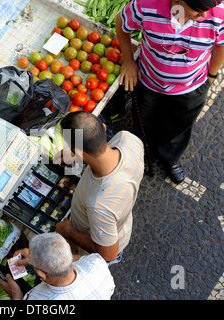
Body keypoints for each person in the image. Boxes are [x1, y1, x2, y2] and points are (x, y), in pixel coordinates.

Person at [115, 0, 224, 184]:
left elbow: (221, 45)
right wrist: (128, 60)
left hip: (192, 86)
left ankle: (170, 158)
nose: (204, 15)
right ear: (177, 1)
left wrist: (210, 77)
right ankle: (142, 152)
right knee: (144, 120)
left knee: (178, 127)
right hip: (148, 82)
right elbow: (122, 23)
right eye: (199, 10)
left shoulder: (218, 14)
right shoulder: (146, 5)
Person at [54, 111, 144, 265]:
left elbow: (108, 255)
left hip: (100, 241)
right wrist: (78, 155)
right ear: (103, 127)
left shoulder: (99, 205)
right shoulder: (128, 139)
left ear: (78, 151)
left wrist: (69, 231)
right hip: (119, 224)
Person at [0, 232, 115, 300]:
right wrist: (37, 259)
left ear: (41, 274)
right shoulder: (97, 264)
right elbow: (82, 259)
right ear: (68, 247)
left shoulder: (37, 297)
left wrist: (16, 296)